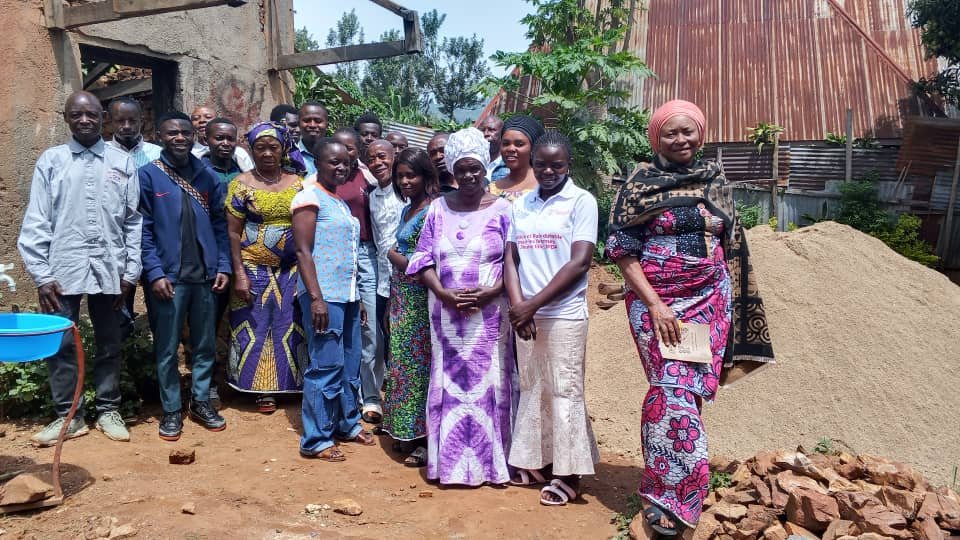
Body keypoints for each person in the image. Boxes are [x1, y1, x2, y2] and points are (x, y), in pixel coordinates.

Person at [606, 100, 775, 535]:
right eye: (670, 133)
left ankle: (675, 481)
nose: (681, 140)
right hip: (656, 304)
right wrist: (656, 304)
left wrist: (731, 299)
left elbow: (731, 242)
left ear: (701, 133)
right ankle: (671, 493)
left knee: (689, 388)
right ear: (655, 138)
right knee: (671, 386)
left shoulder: (715, 180)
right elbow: (622, 250)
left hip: (708, 301)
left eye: (689, 132)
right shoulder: (639, 184)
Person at [18, 91, 141, 446]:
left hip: (110, 269)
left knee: (110, 341)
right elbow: (37, 218)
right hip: (63, 269)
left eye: (91, 114)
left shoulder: (122, 161)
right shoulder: (52, 161)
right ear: (67, 118)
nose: (84, 120)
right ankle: (67, 416)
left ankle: (108, 409)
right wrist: (42, 275)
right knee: (61, 343)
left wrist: (130, 273)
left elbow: (133, 221)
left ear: (102, 117)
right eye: (77, 114)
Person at [406, 127, 517, 486]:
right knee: (449, 383)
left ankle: (492, 466)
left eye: (476, 169)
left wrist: (491, 292)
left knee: (490, 383)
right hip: (446, 315)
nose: (469, 176)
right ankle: (449, 465)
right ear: (451, 170)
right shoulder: (438, 209)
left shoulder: (504, 209)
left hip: (490, 314)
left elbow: (516, 264)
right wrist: (443, 293)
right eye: (461, 169)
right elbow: (422, 258)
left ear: (486, 168)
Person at [503, 131, 599, 506]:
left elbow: (580, 262)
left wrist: (532, 305)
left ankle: (570, 475)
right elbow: (511, 258)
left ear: (568, 165)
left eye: (556, 165)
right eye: (541, 163)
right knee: (533, 388)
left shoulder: (581, 201)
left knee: (565, 390)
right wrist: (517, 305)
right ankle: (535, 460)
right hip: (526, 315)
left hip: (564, 314)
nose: (547, 171)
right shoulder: (522, 204)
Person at [140, 110, 231, 442]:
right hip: (168, 279)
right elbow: (143, 231)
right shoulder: (148, 176)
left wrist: (223, 266)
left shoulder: (206, 176)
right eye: (172, 132)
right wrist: (154, 273)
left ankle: (201, 402)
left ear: (195, 136)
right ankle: (171, 410)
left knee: (204, 344)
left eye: (185, 132)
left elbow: (221, 225)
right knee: (166, 348)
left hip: (206, 277)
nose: (179, 137)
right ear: (160, 136)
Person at [291, 137, 375, 461]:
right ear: (318, 161)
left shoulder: (338, 201)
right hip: (324, 295)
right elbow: (303, 251)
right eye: (333, 162)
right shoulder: (309, 196)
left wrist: (358, 299)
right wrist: (316, 298)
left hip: (348, 295)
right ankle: (316, 439)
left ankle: (347, 423)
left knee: (350, 364)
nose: (341, 168)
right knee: (326, 364)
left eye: (346, 163)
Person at [225, 122, 307, 413]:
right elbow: (234, 232)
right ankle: (260, 390)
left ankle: (292, 383)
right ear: (251, 149)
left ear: (284, 148)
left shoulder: (299, 182)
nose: (268, 153)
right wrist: (239, 273)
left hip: (293, 269)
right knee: (254, 325)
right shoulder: (240, 184)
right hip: (253, 268)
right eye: (261, 147)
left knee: (291, 323)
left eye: (273, 147)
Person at [382, 148, 438, 467]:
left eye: (411, 175)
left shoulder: (432, 210)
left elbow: (430, 260)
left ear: (426, 176)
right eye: (400, 176)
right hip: (402, 297)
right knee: (402, 366)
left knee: (420, 368)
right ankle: (405, 430)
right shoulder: (408, 209)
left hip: (421, 299)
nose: (405, 181)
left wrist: (395, 257)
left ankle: (425, 437)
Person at [331, 127, 383, 424]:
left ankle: (371, 396)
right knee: (340, 329)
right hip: (334, 257)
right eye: (338, 148)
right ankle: (342, 395)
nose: (344, 155)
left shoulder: (368, 179)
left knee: (370, 329)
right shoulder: (319, 184)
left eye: (350, 149)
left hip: (366, 255)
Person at [365, 140, 404, 420]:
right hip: (381, 281)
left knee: (401, 344)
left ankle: (401, 406)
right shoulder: (372, 196)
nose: (377, 162)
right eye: (371, 159)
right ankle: (386, 402)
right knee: (384, 340)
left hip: (407, 281)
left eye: (382, 156)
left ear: (394, 157)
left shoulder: (408, 193)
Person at [488, 115, 545, 202]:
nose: (511, 149)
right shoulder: (492, 189)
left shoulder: (546, 188)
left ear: (534, 148)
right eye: (506, 143)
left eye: (519, 144)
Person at [190, 105, 253, 171]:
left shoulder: (239, 153)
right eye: (196, 119)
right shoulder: (190, 153)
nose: (202, 120)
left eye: (208, 117)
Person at [106, 97, 162, 167]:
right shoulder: (101, 154)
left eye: (133, 121)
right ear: (111, 122)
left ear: (141, 121)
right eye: (120, 121)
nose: (127, 126)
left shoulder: (158, 154)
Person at [201, 118, 243, 184]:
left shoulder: (243, 170)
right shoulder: (198, 171)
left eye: (231, 139)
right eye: (219, 138)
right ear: (206, 140)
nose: (226, 143)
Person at [297, 101, 329, 175]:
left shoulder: (337, 155)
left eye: (318, 121)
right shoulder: (290, 156)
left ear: (327, 125)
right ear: (298, 124)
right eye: (307, 120)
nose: (312, 125)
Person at [478, 115, 508, 181]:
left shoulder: (509, 165)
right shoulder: (473, 163)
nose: (485, 134)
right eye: (482, 130)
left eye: (491, 130)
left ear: (502, 134)